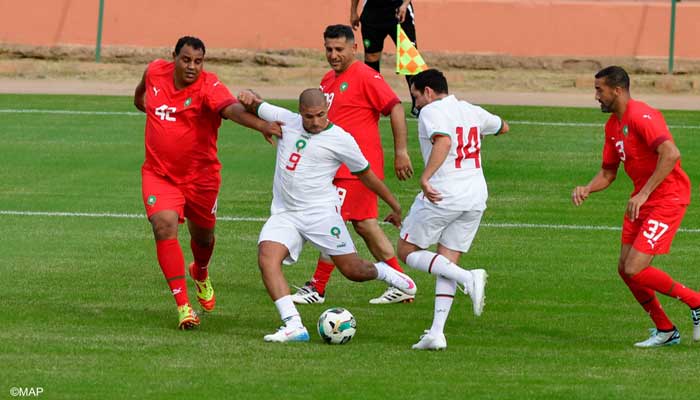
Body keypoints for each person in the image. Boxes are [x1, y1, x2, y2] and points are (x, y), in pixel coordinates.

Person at [236, 88, 417, 342]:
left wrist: (395, 205)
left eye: (320, 115)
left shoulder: (341, 139)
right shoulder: (287, 120)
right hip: (286, 214)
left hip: (321, 215)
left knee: (353, 270)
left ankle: (387, 273)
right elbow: (255, 104)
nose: (315, 122)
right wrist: (246, 96)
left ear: (327, 110)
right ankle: (293, 325)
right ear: (300, 113)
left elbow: (366, 175)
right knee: (267, 258)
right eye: (309, 117)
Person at [133, 36, 282, 330]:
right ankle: (184, 307)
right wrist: (142, 103)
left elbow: (231, 110)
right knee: (164, 225)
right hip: (159, 174)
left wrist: (261, 125)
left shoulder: (208, 86)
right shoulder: (154, 71)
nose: (192, 67)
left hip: (201, 178)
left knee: (203, 238)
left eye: (198, 61)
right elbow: (142, 92)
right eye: (186, 60)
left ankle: (200, 272)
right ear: (173, 57)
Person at [572, 65, 700, 347]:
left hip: (667, 199)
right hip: (643, 201)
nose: (596, 96)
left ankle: (697, 302)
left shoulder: (643, 116)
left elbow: (671, 153)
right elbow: (608, 173)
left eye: (599, 90)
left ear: (617, 90)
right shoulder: (613, 126)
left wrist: (643, 193)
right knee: (624, 268)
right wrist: (587, 189)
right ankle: (665, 330)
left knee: (635, 267)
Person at [291, 24, 415, 306]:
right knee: (365, 225)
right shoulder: (327, 80)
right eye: (329, 49)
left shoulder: (364, 76)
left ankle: (317, 286)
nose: (333, 55)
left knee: (331, 221)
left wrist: (401, 152)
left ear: (354, 48)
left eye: (339, 49)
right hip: (335, 169)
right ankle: (402, 283)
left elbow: (394, 107)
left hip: (355, 170)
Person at [395, 69, 509, 350]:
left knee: (406, 251)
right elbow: (502, 126)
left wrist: (425, 177)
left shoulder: (431, 112)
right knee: (446, 257)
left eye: (416, 96)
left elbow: (443, 141)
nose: (416, 104)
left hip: (443, 194)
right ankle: (437, 332)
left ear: (429, 92)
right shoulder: (469, 109)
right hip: (475, 197)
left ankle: (468, 277)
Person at [351, 0, 419, 115]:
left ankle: (418, 104)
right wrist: (353, 12)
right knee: (371, 57)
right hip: (373, 12)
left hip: (398, 9)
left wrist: (405, 4)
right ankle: (374, 103)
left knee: (409, 56)